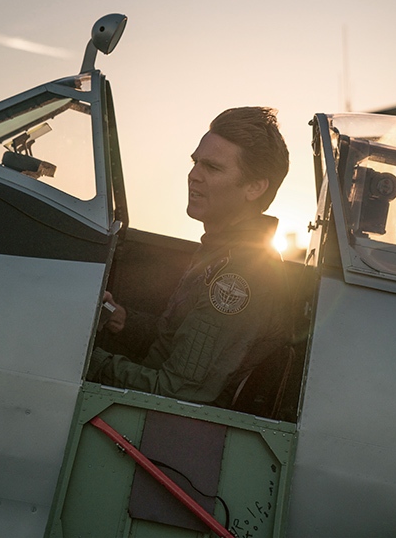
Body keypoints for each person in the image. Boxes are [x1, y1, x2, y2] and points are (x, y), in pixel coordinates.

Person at [87, 107, 291, 408]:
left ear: (255, 187)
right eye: (195, 162)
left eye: (212, 167)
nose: (193, 175)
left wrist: (87, 360)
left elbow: (175, 392)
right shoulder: (221, 250)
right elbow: (184, 341)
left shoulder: (240, 273)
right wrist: (125, 321)